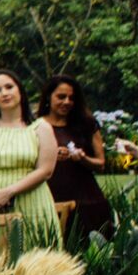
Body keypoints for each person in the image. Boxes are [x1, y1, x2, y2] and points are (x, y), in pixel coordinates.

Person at [0, 68, 61, 245]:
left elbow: (45, 170)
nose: (4, 93)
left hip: (31, 201)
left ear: (20, 90)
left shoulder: (40, 127)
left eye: (9, 87)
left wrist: (9, 192)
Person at [41, 74, 110, 239]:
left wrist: (83, 158)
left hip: (87, 200)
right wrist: (50, 154)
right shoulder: (36, 126)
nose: (66, 102)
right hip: (50, 199)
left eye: (71, 98)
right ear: (49, 97)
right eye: (61, 97)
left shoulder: (86, 124)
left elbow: (101, 163)